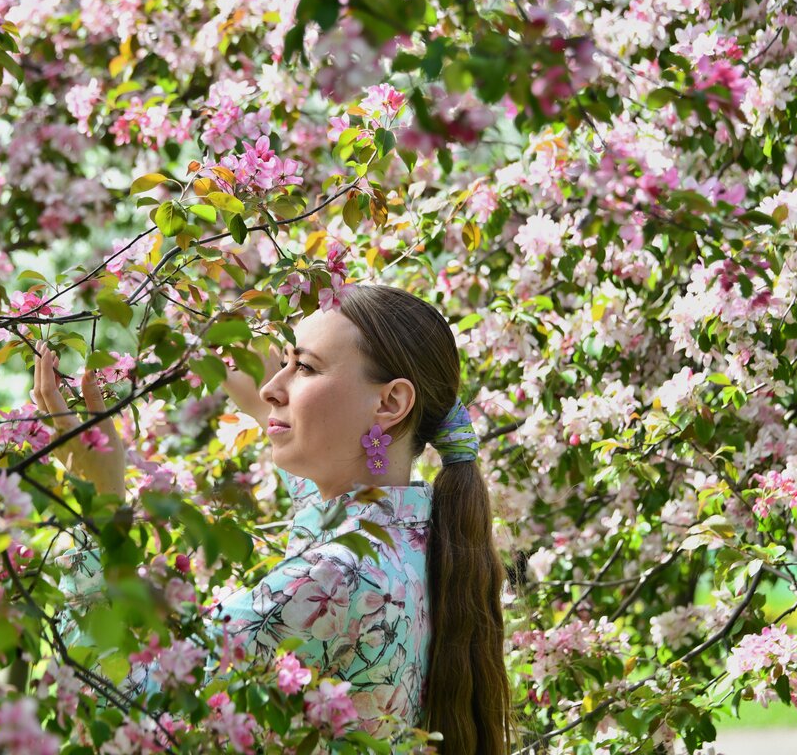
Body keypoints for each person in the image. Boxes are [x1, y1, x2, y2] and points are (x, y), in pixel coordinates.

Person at [34, 283, 512, 754]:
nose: (271, 387)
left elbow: (105, 700)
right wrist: (271, 402)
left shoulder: (336, 574)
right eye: (283, 363)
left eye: (303, 367)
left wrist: (101, 506)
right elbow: (323, 507)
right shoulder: (418, 530)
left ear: (389, 403)